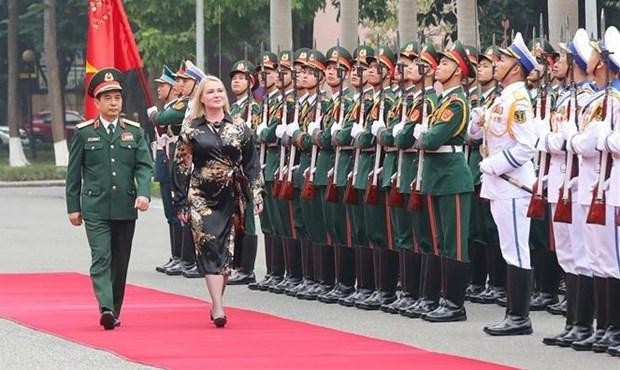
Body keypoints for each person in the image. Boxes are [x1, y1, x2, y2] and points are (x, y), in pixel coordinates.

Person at [172, 75, 264, 328]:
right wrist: (180, 201)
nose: (216, 95)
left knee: (227, 252)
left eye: (220, 91)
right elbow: (180, 166)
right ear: (201, 97)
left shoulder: (240, 127)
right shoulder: (192, 129)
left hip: (232, 196)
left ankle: (216, 301)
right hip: (201, 196)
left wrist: (257, 194)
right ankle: (219, 305)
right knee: (209, 246)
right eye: (210, 91)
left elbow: (252, 163)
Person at [66, 67, 153, 330]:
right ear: (97, 102)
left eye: (117, 98)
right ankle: (105, 306)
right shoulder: (84, 133)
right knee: (101, 256)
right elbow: (74, 173)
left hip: (125, 206)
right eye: (108, 98)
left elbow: (144, 166)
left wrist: (144, 193)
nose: (114, 103)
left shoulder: (134, 132)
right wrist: (73, 207)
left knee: (120, 260)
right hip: (94, 206)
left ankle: (114, 309)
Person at [469, 32, 539, 335]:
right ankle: (514, 313)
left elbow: (527, 146)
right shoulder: (502, 98)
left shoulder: (520, 100)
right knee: (507, 247)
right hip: (500, 185)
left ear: (516, 68)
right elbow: (478, 135)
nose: (497, 63)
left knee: (516, 249)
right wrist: (477, 121)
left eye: (504, 60)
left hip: (513, 184)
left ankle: (519, 317)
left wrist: (493, 166)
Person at [413, 41, 475, 322]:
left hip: (452, 177)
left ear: (460, 71)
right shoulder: (442, 101)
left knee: (455, 243)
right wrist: (424, 136)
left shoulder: (457, 102)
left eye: (447, 63)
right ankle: (443, 298)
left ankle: (455, 304)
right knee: (441, 241)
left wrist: (422, 136)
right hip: (438, 176)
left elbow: (433, 139)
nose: (439, 67)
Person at [147, 65, 185, 275]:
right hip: (164, 159)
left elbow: (164, 121)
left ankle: (182, 255)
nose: (159, 89)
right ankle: (176, 255)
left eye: (163, 86)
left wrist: (156, 117)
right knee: (169, 211)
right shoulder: (169, 107)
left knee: (177, 210)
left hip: (174, 159)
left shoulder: (178, 106)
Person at [228, 59, 261, 285]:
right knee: (236, 216)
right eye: (234, 78)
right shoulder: (234, 107)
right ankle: (237, 264)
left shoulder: (254, 107)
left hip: (245, 167)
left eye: (241, 78)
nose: (236, 81)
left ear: (251, 81)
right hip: (232, 168)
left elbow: (254, 135)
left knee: (247, 216)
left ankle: (247, 268)